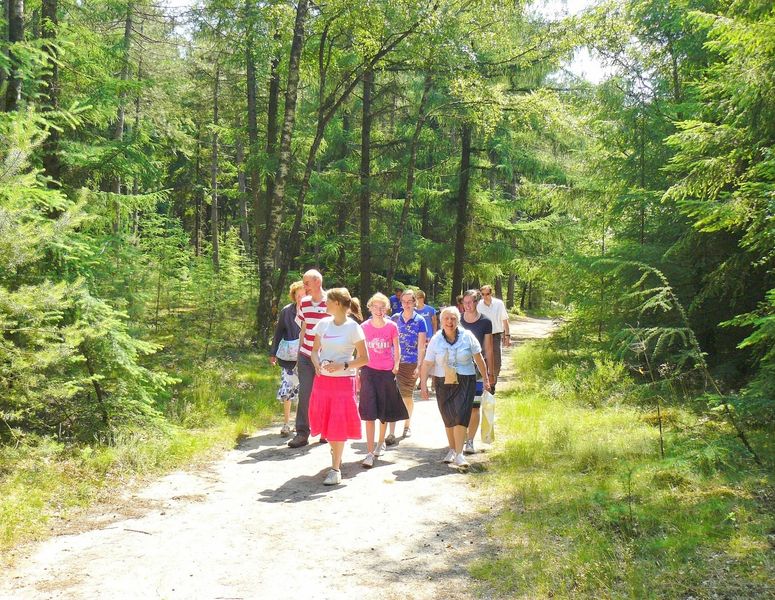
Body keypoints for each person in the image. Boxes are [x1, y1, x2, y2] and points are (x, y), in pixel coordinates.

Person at [308, 288, 369, 485]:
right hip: (323, 382)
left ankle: (335, 469)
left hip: (343, 382)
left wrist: (342, 365)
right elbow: (314, 351)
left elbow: (364, 359)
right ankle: (336, 453)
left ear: (338, 304)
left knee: (338, 423)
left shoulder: (353, 328)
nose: (324, 304)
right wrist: (317, 364)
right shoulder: (323, 324)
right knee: (327, 422)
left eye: (328, 301)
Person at [420, 306, 490, 468]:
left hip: (465, 380)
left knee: (460, 415)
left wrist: (486, 378)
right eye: (446, 318)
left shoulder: (467, 337)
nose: (449, 322)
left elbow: (479, 358)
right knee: (448, 417)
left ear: (458, 320)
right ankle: (452, 449)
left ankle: (459, 454)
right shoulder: (436, 339)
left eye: (453, 319)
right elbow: (427, 363)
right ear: (441, 321)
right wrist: (423, 384)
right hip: (442, 381)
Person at [359, 293, 408, 468]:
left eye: (382, 307)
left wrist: (396, 364)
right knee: (369, 412)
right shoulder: (363, 327)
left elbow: (397, 346)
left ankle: (381, 442)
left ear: (387, 309)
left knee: (383, 409)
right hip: (368, 371)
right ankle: (369, 451)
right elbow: (359, 350)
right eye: (376, 307)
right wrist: (358, 370)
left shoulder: (392, 326)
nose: (379, 311)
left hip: (387, 372)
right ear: (370, 307)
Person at [288, 269, 329, 448]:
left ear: (317, 282)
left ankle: (326, 431)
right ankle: (302, 433)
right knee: (305, 394)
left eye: (307, 283)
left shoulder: (331, 302)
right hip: (306, 354)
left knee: (326, 394)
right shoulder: (304, 303)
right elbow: (303, 327)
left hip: (326, 357)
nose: (304, 287)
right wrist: (299, 353)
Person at [388, 289, 428, 443]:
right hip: (393, 362)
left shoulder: (420, 321)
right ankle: (391, 431)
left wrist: (419, 365)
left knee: (406, 396)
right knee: (392, 396)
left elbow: (421, 346)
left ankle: (407, 424)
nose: (406, 304)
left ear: (414, 302)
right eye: (403, 302)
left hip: (411, 363)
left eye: (409, 301)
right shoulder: (395, 318)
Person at [460, 289, 494, 455]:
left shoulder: (485, 322)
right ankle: (460, 437)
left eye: (470, 302)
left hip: (478, 371)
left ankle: (470, 440)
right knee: (460, 407)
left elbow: (488, 349)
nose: (467, 305)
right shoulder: (456, 320)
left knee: (474, 407)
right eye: (464, 302)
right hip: (458, 370)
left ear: (476, 303)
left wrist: (490, 372)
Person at [270, 280, 305, 436]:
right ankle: (286, 423)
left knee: (302, 391)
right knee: (287, 389)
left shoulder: (312, 311)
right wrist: (273, 353)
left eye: (304, 295)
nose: (301, 298)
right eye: (298, 295)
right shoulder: (286, 311)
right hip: (288, 359)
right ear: (294, 296)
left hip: (305, 357)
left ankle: (299, 423)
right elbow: (278, 333)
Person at [477, 284, 511, 393]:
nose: (485, 296)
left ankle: (493, 383)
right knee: (483, 360)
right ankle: (484, 384)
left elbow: (505, 320)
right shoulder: (479, 305)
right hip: (483, 336)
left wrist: (507, 336)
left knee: (497, 362)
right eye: (483, 294)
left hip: (496, 335)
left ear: (491, 293)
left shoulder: (498, 304)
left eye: (487, 294)